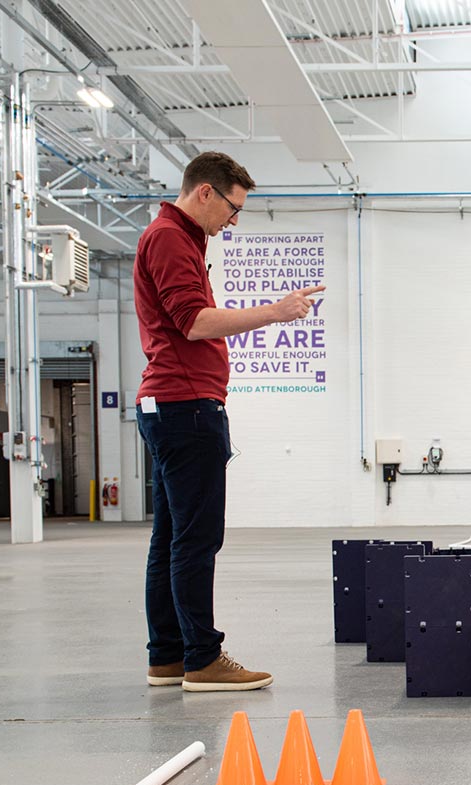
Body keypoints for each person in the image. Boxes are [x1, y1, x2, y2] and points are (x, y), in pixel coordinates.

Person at [134, 151, 324, 691]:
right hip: (186, 406)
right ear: (204, 193)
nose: (233, 221)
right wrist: (275, 312)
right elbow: (194, 323)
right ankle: (202, 659)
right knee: (196, 540)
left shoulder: (178, 239)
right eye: (233, 208)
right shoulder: (170, 238)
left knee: (171, 538)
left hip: (173, 405)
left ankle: (168, 656)